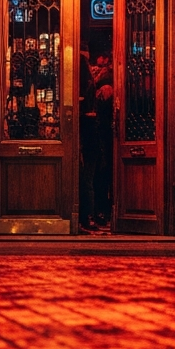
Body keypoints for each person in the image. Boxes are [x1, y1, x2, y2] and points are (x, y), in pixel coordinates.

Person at [90, 50, 114, 226]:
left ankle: (102, 210)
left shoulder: (104, 88)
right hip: (102, 135)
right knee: (101, 173)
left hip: (103, 135)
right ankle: (102, 210)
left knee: (101, 173)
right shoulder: (104, 87)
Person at [78, 47, 98, 232]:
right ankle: (87, 217)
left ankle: (85, 217)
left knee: (85, 179)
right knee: (88, 180)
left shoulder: (84, 115)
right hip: (92, 143)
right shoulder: (91, 112)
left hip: (88, 142)